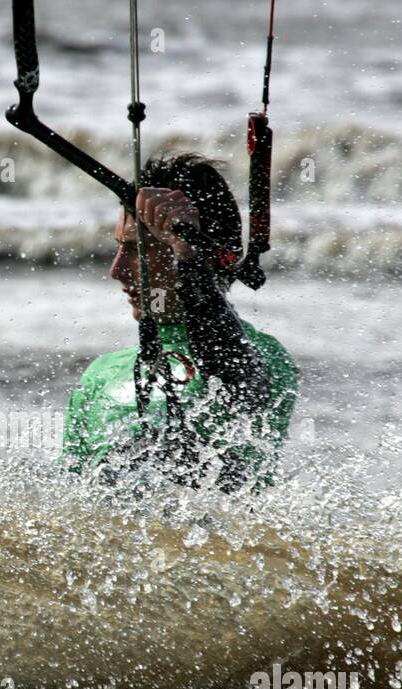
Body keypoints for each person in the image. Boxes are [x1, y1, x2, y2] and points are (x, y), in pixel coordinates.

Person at [61, 152, 299, 492]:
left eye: (136, 251)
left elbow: (239, 389)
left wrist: (189, 258)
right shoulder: (100, 376)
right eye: (119, 248)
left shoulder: (264, 359)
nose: (116, 270)